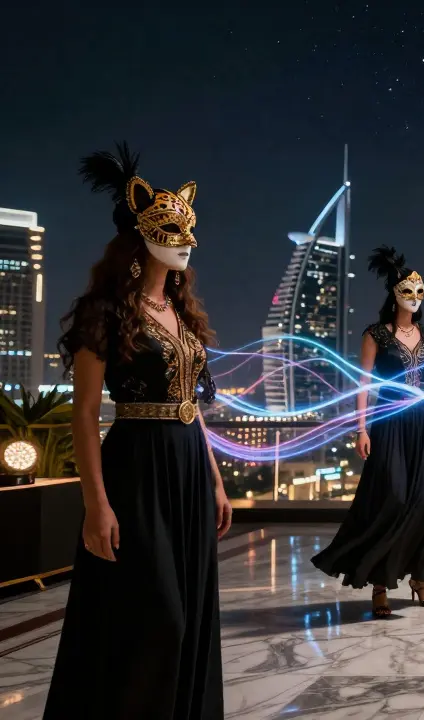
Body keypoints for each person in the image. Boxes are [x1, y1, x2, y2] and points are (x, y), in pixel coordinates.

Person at [46, 144, 230, 719]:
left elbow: (190, 407)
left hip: (188, 472)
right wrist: (94, 505)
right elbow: (84, 415)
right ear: (139, 234)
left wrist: (217, 481)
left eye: (189, 230)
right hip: (136, 469)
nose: (187, 240)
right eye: (173, 229)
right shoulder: (105, 313)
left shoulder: (183, 314)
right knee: (160, 621)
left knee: (191, 619)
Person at [312, 246, 424, 617]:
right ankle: (379, 583)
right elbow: (363, 383)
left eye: (420, 291)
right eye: (409, 290)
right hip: (388, 420)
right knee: (392, 497)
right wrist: (361, 429)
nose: (416, 298)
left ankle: (419, 578)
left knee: (423, 500)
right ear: (394, 293)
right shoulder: (375, 334)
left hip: (422, 421)